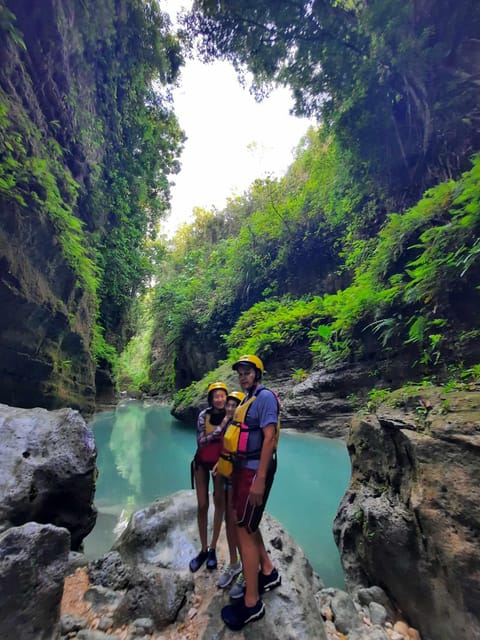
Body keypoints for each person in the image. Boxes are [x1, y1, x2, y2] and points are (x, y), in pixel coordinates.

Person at [220, 355, 281, 631]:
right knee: (248, 523)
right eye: (240, 373)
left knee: (244, 528)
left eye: (248, 372)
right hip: (244, 470)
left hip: (256, 472)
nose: (243, 376)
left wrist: (260, 479)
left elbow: (269, 437)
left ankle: (252, 602)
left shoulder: (265, 398)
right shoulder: (247, 399)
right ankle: (267, 571)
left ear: (258, 373)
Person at [189, 381, 229, 573]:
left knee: (219, 504)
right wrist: (221, 424)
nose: (220, 399)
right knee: (202, 505)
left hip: (219, 465)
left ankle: (213, 548)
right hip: (201, 464)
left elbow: (233, 444)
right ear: (211, 399)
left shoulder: (232, 417)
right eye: (216, 396)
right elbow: (201, 441)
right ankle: (203, 549)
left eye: (222, 396)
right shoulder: (203, 416)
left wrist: (222, 461)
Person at [215, 390, 245, 589]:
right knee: (229, 520)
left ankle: (247, 566)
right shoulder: (229, 424)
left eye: (235, 405)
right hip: (227, 477)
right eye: (229, 404)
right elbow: (224, 447)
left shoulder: (246, 427)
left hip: (240, 479)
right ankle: (234, 563)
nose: (231, 408)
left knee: (239, 522)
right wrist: (219, 462)